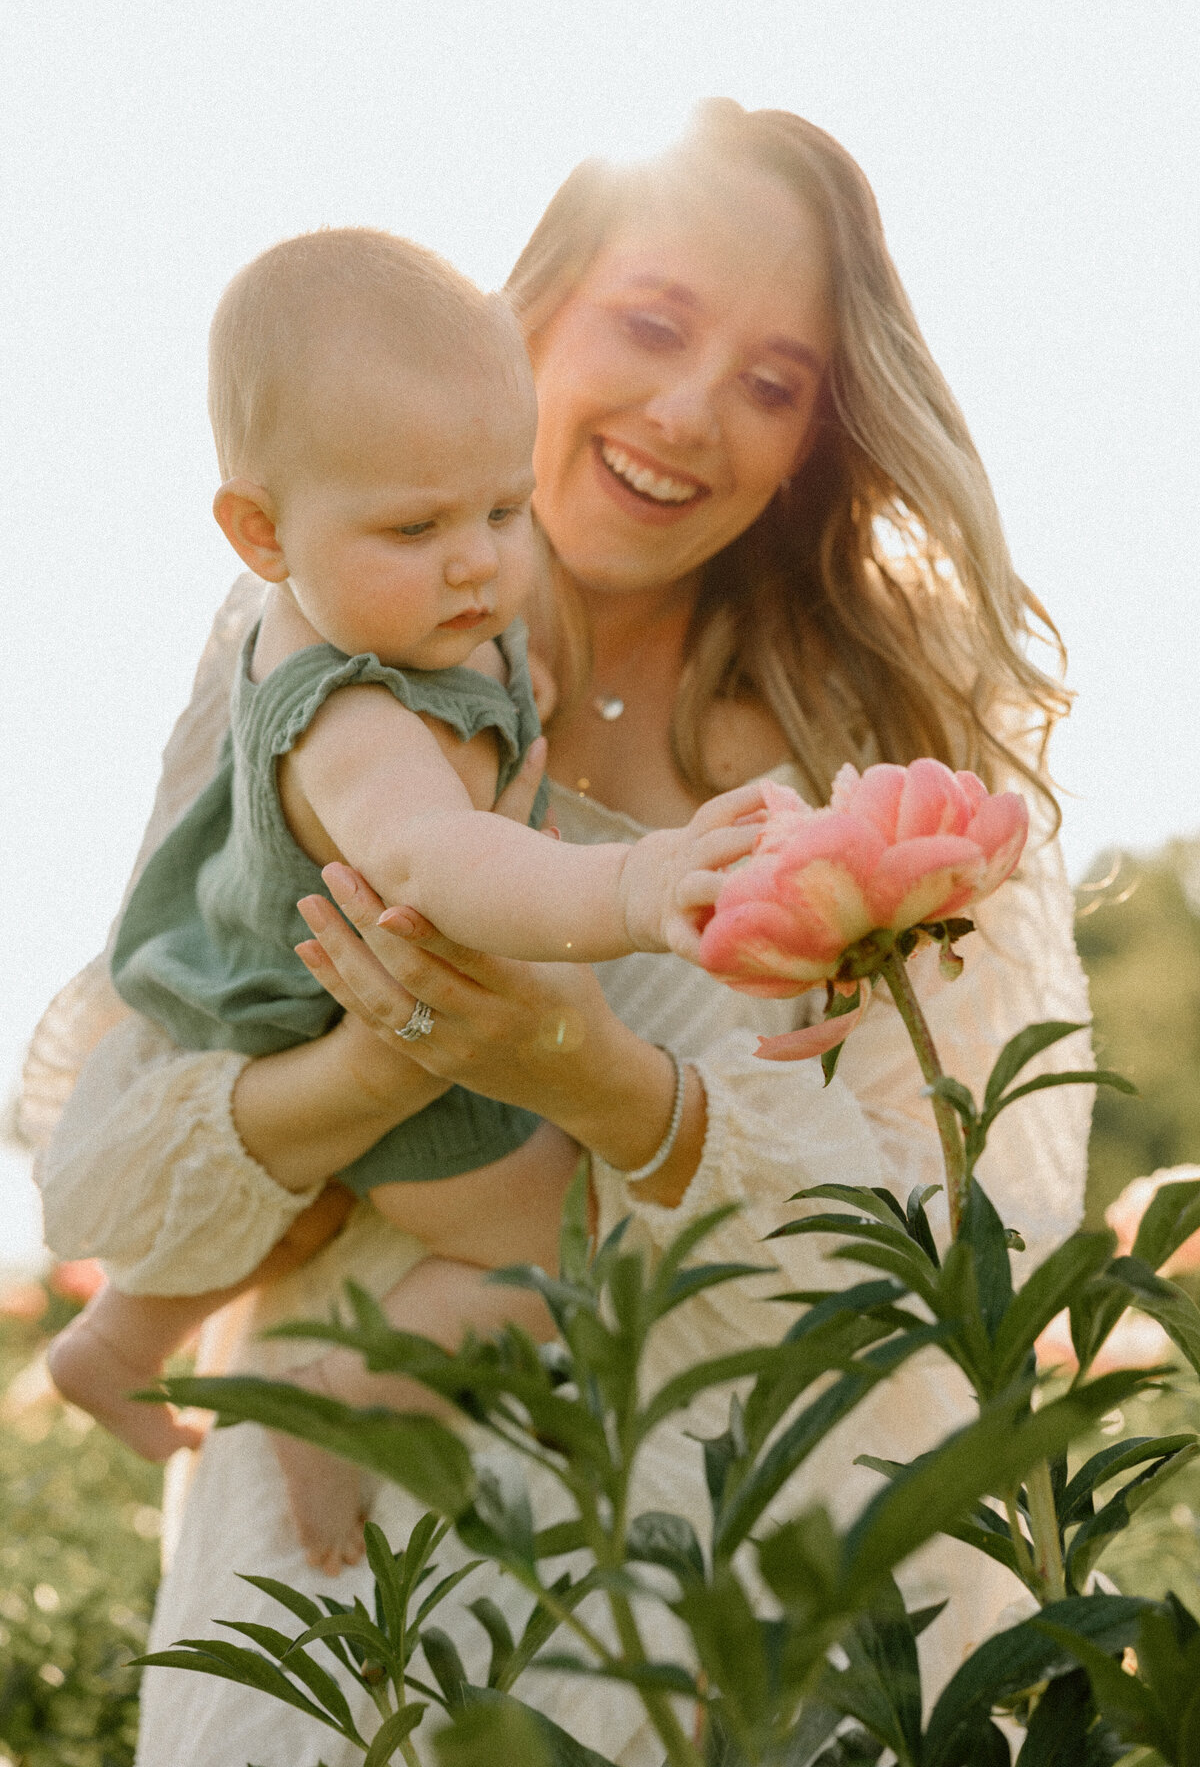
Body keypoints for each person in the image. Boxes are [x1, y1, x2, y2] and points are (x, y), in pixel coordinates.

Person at [26, 100, 1094, 1766]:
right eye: (655, 323)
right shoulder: (311, 640)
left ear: (823, 430)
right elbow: (109, 1159)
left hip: (740, 1585)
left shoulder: (882, 742)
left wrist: (604, 1083)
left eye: (775, 380)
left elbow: (963, 1258)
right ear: (531, 318)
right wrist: (384, 1076)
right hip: (344, 1581)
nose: (689, 413)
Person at [45, 225, 764, 1571]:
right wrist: (642, 879)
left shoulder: (369, 606)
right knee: (565, 1250)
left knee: (297, 1204)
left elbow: (478, 663)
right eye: (417, 527)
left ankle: (119, 1340)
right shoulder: (353, 718)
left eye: (503, 510)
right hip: (402, 1050)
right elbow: (449, 865)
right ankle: (350, 1401)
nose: (479, 566)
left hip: (288, 1012)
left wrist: (503, 696)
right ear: (261, 530)